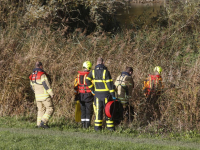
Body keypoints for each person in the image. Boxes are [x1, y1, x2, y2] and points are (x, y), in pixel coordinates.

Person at [86, 57, 116, 131]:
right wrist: (113, 95)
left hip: (97, 96)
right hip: (106, 95)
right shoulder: (106, 72)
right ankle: (110, 128)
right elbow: (110, 85)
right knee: (108, 111)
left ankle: (97, 128)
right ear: (103, 63)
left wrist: (92, 90)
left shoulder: (92, 72)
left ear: (96, 63)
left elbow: (87, 80)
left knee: (98, 112)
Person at [29, 61, 54, 129]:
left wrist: (36, 93)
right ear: (40, 66)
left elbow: (32, 87)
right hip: (45, 96)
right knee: (50, 109)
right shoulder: (42, 75)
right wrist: (51, 93)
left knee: (40, 110)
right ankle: (43, 122)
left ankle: (38, 124)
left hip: (37, 97)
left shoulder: (32, 76)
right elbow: (46, 85)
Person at [74, 61, 94, 128]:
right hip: (89, 96)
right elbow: (93, 85)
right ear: (90, 67)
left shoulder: (78, 76)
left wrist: (76, 95)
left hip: (81, 96)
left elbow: (75, 86)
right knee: (88, 111)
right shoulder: (90, 75)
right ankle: (87, 126)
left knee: (83, 111)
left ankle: (83, 125)